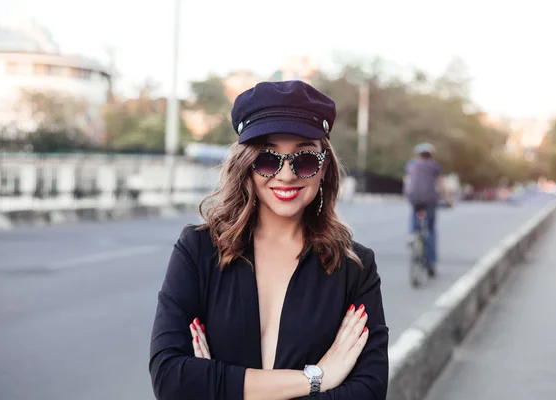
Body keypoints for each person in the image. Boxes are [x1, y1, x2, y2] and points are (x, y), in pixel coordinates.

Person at [149, 80, 389, 400]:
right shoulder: (198, 249)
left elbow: (368, 392)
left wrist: (219, 388)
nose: (286, 174)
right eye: (268, 158)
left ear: (324, 166)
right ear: (247, 165)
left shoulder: (354, 267)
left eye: (304, 158)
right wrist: (316, 379)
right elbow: (170, 379)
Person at [403, 143, 453, 276]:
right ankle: (431, 263)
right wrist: (448, 200)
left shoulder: (411, 165)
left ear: (417, 155)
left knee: (414, 220)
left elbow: (407, 182)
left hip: (414, 199)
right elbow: (441, 184)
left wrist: (407, 196)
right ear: (431, 155)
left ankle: (412, 235)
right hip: (430, 200)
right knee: (430, 230)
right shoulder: (434, 166)